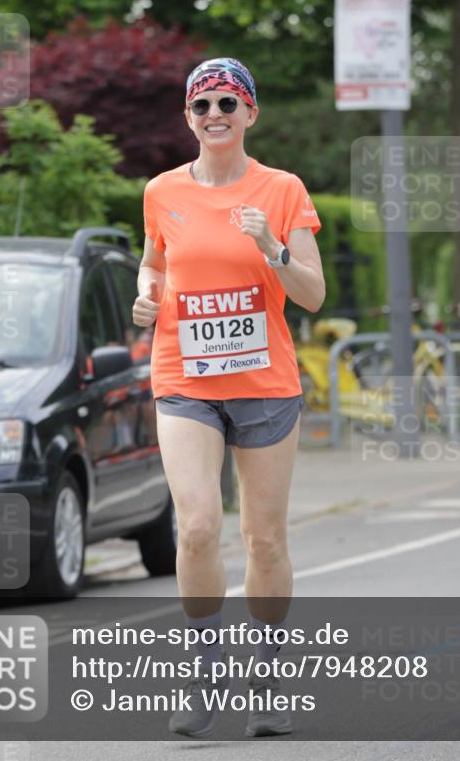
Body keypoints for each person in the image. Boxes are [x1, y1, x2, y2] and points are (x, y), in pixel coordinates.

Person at [132, 57, 325, 739]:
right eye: (202, 105)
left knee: (264, 542)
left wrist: (271, 246)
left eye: (227, 103)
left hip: (264, 384)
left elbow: (311, 293)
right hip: (185, 376)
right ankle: (204, 671)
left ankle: (267, 683)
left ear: (249, 114)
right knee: (196, 526)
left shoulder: (282, 190)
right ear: (188, 117)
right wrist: (145, 291)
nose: (214, 115)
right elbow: (155, 259)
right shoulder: (161, 192)